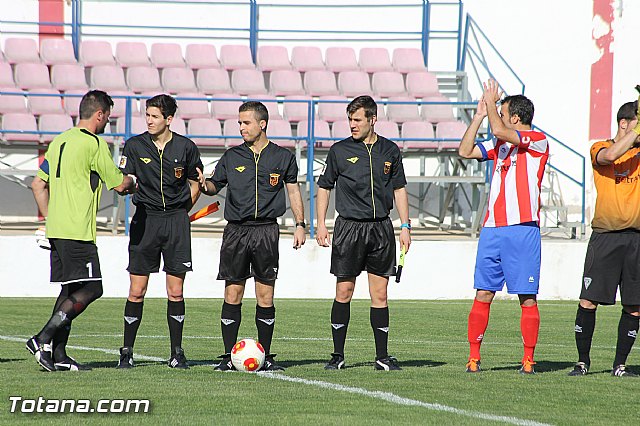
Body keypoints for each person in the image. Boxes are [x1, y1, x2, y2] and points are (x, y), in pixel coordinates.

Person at [27, 90, 136, 371]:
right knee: (92, 287)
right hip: (78, 231)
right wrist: (132, 180)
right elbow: (120, 185)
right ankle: (42, 338)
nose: (107, 122)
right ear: (99, 114)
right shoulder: (93, 144)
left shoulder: (60, 141)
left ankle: (58, 356)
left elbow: (38, 185)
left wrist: (52, 218)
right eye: (108, 117)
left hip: (57, 229)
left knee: (70, 289)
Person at [199, 101, 306, 371]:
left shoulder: (282, 157)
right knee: (232, 293)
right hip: (236, 231)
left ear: (262, 124)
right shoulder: (232, 157)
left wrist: (300, 224)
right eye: (239, 123)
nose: (241, 127)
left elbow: (293, 191)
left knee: (265, 296)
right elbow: (214, 187)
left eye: (246, 123)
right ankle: (227, 356)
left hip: (266, 231)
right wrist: (203, 184)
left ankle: (266, 356)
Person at [458, 79, 549, 374]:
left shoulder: (537, 140)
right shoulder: (500, 145)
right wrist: (478, 116)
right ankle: (474, 357)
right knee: (483, 293)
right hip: (493, 229)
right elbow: (465, 150)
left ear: (515, 117)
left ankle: (528, 358)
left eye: (502, 109)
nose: (497, 111)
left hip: (523, 228)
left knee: (526, 296)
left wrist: (489, 103)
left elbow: (499, 129)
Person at [316, 95, 411, 371]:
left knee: (379, 295)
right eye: (350, 119)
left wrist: (405, 226)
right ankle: (337, 355)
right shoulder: (339, 151)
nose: (352, 125)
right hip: (348, 229)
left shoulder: (390, 151)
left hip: (381, 228)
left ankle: (382, 357)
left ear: (373, 119)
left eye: (357, 120)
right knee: (344, 291)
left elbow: (399, 189)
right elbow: (325, 187)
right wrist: (321, 223)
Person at [116, 94, 203, 370]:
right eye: (147, 115)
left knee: (175, 291)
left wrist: (182, 209)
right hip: (146, 221)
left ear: (169, 119)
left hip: (177, 222)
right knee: (137, 289)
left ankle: (177, 353)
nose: (149, 120)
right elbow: (124, 179)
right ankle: (126, 352)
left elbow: (196, 181)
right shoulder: (134, 145)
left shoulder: (186, 147)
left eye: (154, 116)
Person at [568, 97, 640, 377]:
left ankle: (620, 365)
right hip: (606, 237)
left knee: (635, 306)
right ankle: (582, 361)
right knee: (588, 301)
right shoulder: (600, 146)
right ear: (624, 124)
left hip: (635, 239)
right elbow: (609, 157)